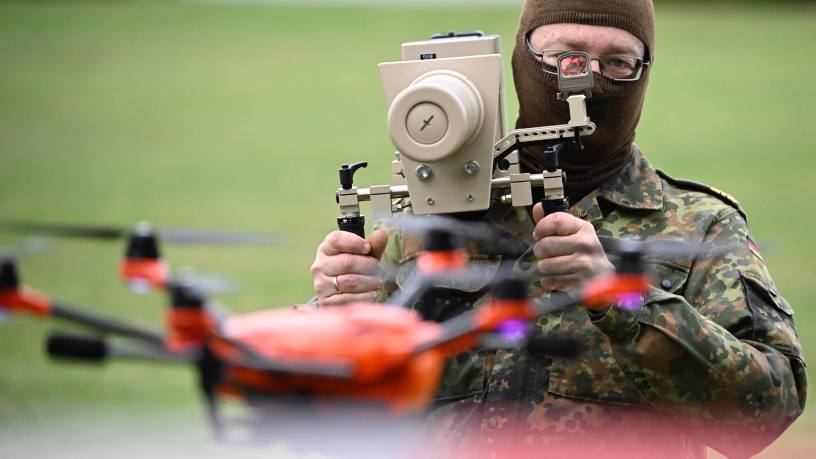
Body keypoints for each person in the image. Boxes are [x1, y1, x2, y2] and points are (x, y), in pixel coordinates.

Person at [309, 0, 806, 457]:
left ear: (643, 74)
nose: (588, 80)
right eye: (565, 58)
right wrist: (333, 319)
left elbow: (766, 414)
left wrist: (623, 299)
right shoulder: (424, 223)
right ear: (522, 62)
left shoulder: (699, 225)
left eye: (617, 63)